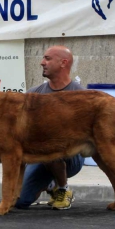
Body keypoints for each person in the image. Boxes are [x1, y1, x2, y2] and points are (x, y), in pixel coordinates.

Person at [15, 45, 85, 210]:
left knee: (50, 143)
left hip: (71, 157)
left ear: (63, 63)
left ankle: (63, 189)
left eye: (47, 58)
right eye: (43, 58)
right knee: (19, 201)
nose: (42, 62)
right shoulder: (34, 93)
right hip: (41, 156)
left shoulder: (79, 94)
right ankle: (52, 184)